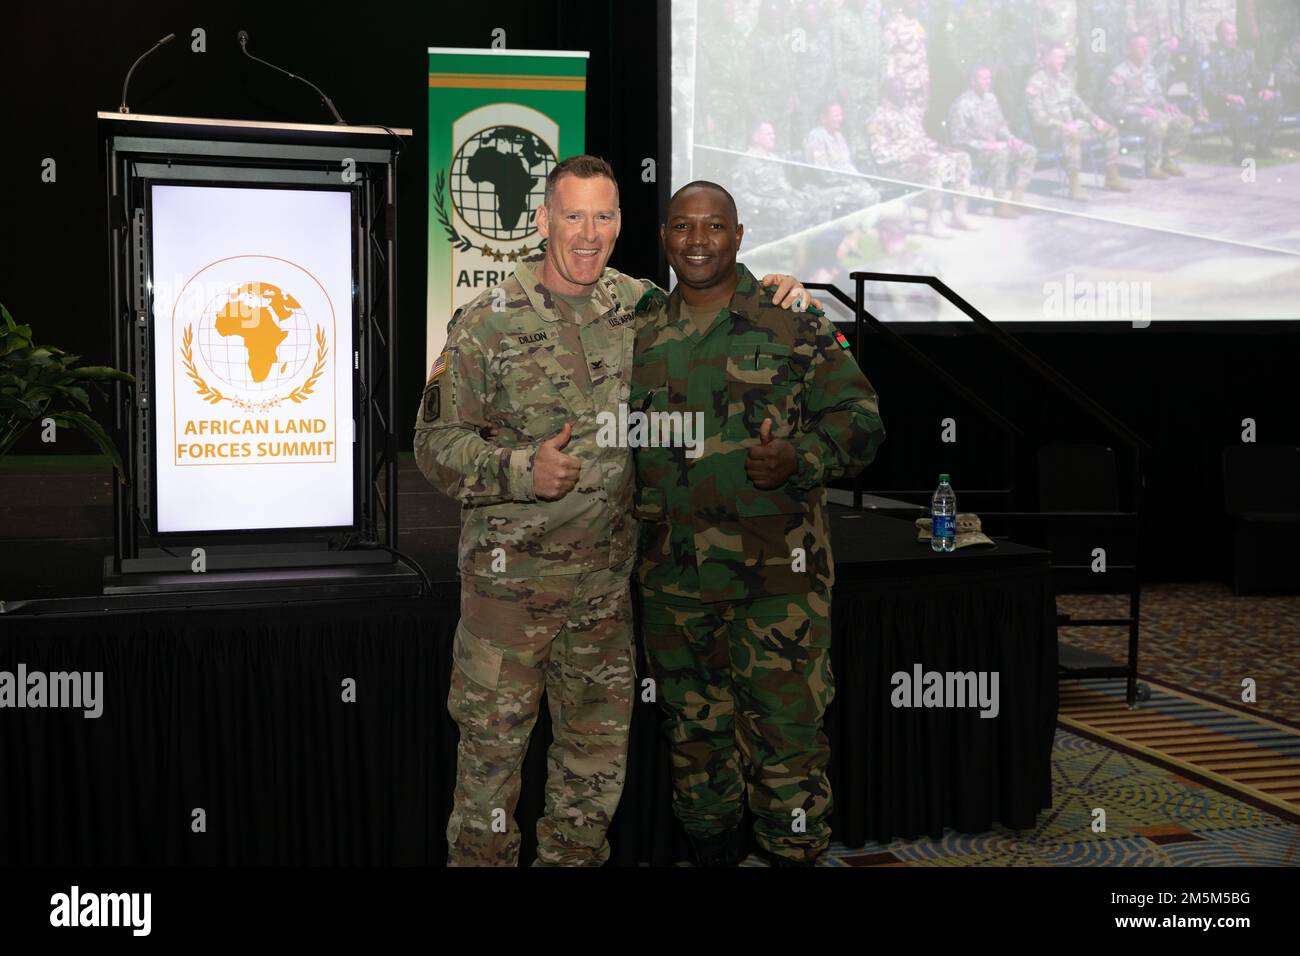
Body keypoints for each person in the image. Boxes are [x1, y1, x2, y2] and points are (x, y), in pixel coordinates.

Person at [413, 155, 811, 866]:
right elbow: (432, 443)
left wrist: (780, 290)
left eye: (604, 216)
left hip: (605, 594)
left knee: (591, 778)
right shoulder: (486, 321)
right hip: (509, 597)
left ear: (622, 224)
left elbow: (717, 304)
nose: (589, 233)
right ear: (542, 222)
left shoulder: (640, 307)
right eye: (573, 215)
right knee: (490, 773)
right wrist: (518, 470)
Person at [630, 181, 885, 866]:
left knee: (789, 748)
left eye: (714, 227)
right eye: (683, 227)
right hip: (674, 590)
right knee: (695, 748)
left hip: (779, 587)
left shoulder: (791, 319)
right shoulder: (640, 330)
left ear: (739, 236)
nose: (698, 240)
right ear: (665, 238)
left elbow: (863, 423)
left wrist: (800, 457)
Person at [867, 79, 978, 237]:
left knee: (962, 158)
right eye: (899, 91)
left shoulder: (909, 112)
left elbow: (919, 139)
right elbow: (880, 154)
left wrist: (938, 146)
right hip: (895, 168)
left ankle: (958, 215)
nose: (904, 94)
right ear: (887, 94)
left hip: (919, 160)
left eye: (905, 90)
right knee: (933, 167)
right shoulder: (878, 118)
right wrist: (910, 156)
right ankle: (933, 221)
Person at [1026, 44, 1131, 200]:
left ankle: (1112, 178)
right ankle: (1074, 185)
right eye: (1059, 57)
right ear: (1047, 59)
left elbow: (1078, 104)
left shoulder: (1064, 80)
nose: (1063, 61)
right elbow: (1038, 117)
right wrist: (1063, 126)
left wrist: (1094, 118)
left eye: (1064, 57)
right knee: (1072, 135)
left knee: (1110, 131)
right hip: (1049, 133)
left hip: (1071, 127)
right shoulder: (1035, 82)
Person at [948, 66, 1040, 218]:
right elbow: (958, 138)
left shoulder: (991, 98)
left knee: (1029, 151)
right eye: (983, 78)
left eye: (989, 78)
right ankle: (1000, 205)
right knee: (1001, 154)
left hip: (995, 147)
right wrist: (985, 145)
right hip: (974, 153)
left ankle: (1016, 200)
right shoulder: (962, 104)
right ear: (973, 81)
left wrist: (1010, 138)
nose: (987, 81)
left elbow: (1000, 125)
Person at [1106, 32, 1194, 177]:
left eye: (1147, 47)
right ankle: (1152, 166)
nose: (1145, 50)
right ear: (1129, 49)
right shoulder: (1119, 73)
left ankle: (1168, 160)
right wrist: (1138, 110)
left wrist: (1166, 105)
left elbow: (1157, 95)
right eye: (1140, 47)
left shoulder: (1150, 69)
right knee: (1160, 123)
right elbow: (1113, 106)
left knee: (1185, 121)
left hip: (1152, 113)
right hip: (1129, 117)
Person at [1202, 18, 1280, 161]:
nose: (1234, 38)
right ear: (1220, 37)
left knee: (1273, 102)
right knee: (1237, 108)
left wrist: (1263, 89)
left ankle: (1262, 144)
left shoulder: (1244, 55)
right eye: (1230, 34)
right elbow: (1208, 86)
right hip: (1222, 101)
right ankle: (1238, 149)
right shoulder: (1211, 59)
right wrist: (1228, 96)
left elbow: (1255, 76)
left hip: (1243, 96)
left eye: (1235, 34)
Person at [802, 101, 882, 212]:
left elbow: (847, 165)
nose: (840, 119)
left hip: (846, 185)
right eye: (836, 116)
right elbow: (824, 175)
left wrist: (861, 181)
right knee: (867, 196)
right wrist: (851, 183)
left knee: (874, 193)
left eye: (841, 115)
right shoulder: (816, 138)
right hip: (825, 189)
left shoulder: (839, 136)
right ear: (823, 118)